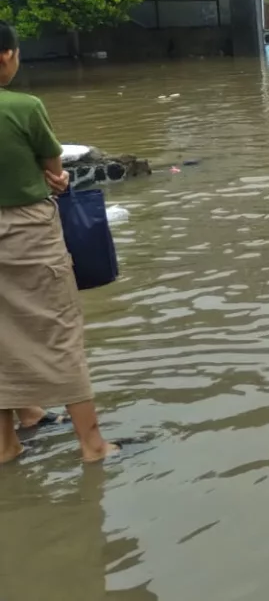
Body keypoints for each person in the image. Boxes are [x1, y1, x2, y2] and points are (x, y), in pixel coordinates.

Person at [0, 24, 118, 463]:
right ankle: (93, 445)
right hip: (24, 231)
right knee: (59, 331)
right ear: (6, 56)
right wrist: (59, 178)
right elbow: (53, 170)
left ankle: (7, 445)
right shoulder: (23, 107)